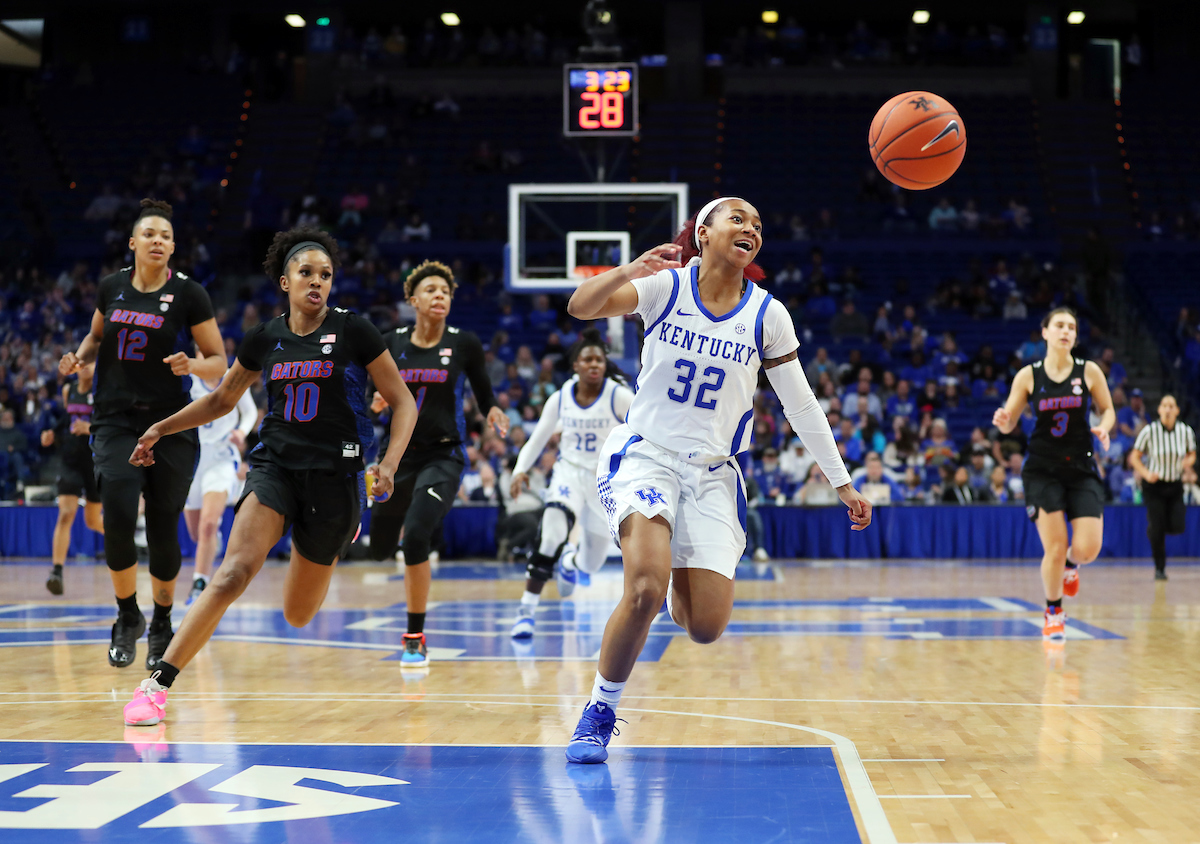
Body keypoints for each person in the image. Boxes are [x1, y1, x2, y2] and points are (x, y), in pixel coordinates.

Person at [563, 196, 871, 763]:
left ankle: (670, 571)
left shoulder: (767, 315)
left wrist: (842, 482)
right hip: (647, 456)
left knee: (704, 626)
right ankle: (599, 710)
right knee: (644, 588)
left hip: (711, 476)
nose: (751, 228)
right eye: (738, 219)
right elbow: (581, 307)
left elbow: (801, 406)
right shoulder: (665, 288)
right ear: (703, 233)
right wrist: (630, 270)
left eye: (758, 223)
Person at [120, 227, 417, 727]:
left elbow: (405, 402)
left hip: (337, 478)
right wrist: (161, 428)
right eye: (306, 273)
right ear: (285, 281)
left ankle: (339, 531)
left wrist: (387, 464)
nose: (317, 282)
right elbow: (220, 400)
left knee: (298, 614)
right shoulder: (265, 338)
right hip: (275, 467)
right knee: (233, 572)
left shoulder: (356, 331)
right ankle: (155, 686)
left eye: (325, 274)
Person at [58, 199, 227, 671]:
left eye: (166, 236)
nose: (158, 241)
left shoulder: (191, 294)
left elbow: (218, 361)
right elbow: (94, 338)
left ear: (173, 248)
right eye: (149, 234)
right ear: (133, 243)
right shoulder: (111, 287)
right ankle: (127, 615)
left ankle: (163, 622)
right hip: (114, 418)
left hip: (171, 422)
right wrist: (79, 357)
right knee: (115, 504)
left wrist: (191, 364)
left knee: (162, 524)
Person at [367, 260, 509, 668]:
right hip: (397, 458)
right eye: (430, 290)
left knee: (415, 538)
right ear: (412, 300)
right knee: (379, 549)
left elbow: (484, 393)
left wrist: (495, 411)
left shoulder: (463, 343)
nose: (439, 296)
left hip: (444, 455)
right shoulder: (390, 341)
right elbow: (368, 394)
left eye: (445, 291)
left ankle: (414, 636)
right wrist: (374, 403)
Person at [992, 307, 1114, 642]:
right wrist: (1005, 421)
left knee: (1087, 549)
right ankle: (1053, 610)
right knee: (1056, 547)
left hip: (1081, 467)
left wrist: (1103, 428)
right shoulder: (1028, 375)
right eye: (1059, 325)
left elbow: (1108, 410)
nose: (1066, 331)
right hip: (1043, 470)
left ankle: (1073, 567)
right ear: (1045, 332)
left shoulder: (1088, 371)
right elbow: (1012, 418)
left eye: (1072, 327)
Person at [508, 329, 635, 637]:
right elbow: (537, 438)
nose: (594, 364)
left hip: (605, 482)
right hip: (569, 472)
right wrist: (520, 469)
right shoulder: (561, 396)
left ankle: (571, 561)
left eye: (599, 360)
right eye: (587, 359)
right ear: (575, 364)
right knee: (551, 534)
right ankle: (526, 611)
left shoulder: (618, 395)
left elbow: (645, 427)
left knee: (591, 565)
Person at [182, 347, 259, 604]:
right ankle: (210, 541)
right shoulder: (187, 381)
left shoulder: (231, 377)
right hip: (191, 458)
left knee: (208, 524)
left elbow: (249, 412)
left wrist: (242, 431)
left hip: (221, 457)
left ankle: (199, 584)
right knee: (197, 533)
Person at [39, 363, 104, 595]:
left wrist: (90, 428)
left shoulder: (103, 390)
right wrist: (52, 434)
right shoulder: (69, 389)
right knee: (66, 513)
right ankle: (56, 571)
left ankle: (127, 541)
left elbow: (111, 425)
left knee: (93, 522)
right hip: (70, 460)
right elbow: (67, 421)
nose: (85, 366)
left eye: (90, 362)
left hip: (94, 462)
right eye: (82, 362)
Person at [1130, 394, 1196, 580]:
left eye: (1171, 406)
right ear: (1159, 410)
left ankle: (1155, 527)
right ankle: (1160, 568)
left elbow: (1192, 454)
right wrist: (1145, 473)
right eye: (1164, 405)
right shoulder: (1149, 431)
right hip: (1154, 485)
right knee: (1158, 529)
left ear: (1177, 411)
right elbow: (1134, 457)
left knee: (1178, 525)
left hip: (1175, 484)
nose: (1167, 409)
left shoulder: (1185, 431)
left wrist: (1187, 464)